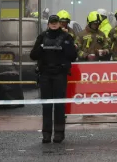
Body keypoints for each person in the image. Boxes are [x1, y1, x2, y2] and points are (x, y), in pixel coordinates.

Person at [30, 14, 77, 143]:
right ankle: (46, 134)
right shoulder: (42, 37)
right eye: (52, 22)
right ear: (48, 24)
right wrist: (41, 47)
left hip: (60, 74)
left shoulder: (66, 37)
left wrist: (66, 47)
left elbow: (73, 56)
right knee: (46, 106)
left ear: (60, 24)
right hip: (45, 74)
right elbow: (33, 55)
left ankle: (59, 133)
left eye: (56, 22)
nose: (54, 24)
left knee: (59, 106)